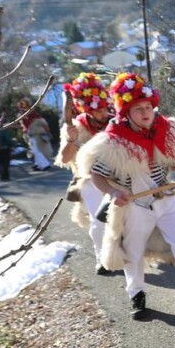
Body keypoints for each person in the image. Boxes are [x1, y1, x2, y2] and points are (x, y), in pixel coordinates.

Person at [82, 72, 175, 322]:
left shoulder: (162, 129)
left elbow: (173, 161)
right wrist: (113, 192)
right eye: (138, 108)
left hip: (167, 199)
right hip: (135, 204)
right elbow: (96, 176)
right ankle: (137, 295)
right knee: (133, 251)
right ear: (126, 112)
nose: (145, 112)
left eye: (148, 107)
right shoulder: (113, 142)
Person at [57, 72, 112, 273]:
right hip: (89, 179)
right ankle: (102, 259)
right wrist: (71, 140)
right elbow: (64, 158)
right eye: (98, 110)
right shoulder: (76, 126)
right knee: (98, 222)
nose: (103, 113)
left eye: (105, 107)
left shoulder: (115, 121)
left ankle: (127, 254)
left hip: (118, 177)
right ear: (87, 109)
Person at [16, 98, 55, 171]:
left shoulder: (33, 115)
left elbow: (44, 124)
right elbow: (24, 125)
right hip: (31, 135)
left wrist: (48, 133)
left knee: (37, 150)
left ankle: (45, 164)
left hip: (37, 135)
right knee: (35, 150)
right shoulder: (24, 115)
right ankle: (38, 164)